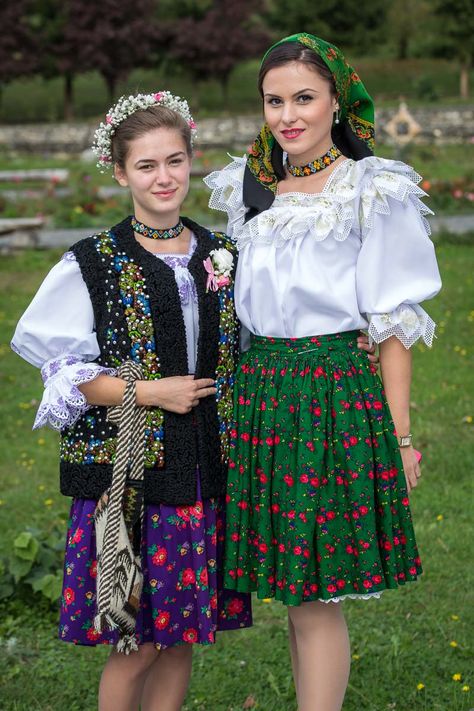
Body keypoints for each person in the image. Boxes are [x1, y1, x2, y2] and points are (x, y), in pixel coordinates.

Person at [204, 33, 442, 711]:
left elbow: (393, 322)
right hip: (261, 395)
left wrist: (399, 435)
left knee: (313, 590)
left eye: (304, 97)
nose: (288, 115)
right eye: (274, 100)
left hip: (330, 395)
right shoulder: (250, 187)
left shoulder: (371, 187)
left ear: (337, 99)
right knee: (293, 583)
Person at [11, 91, 252, 711]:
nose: (164, 177)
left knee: (180, 636)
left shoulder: (219, 251)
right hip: (132, 479)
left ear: (191, 160)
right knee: (135, 639)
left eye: (175, 161)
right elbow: (65, 374)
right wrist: (150, 392)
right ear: (120, 173)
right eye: (146, 166)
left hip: (201, 469)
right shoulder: (94, 262)